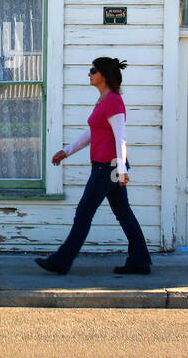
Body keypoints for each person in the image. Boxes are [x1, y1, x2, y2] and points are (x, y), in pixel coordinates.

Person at [37, 57, 153, 275]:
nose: (89, 74)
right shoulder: (103, 100)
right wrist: (67, 151)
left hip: (107, 168)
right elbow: (94, 132)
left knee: (84, 212)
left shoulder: (114, 101)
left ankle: (61, 261)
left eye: (93, 70)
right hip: (105, 167)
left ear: (104, 75)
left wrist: (121, 170)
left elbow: (121, 137)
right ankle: (140, 260)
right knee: (123, 213)